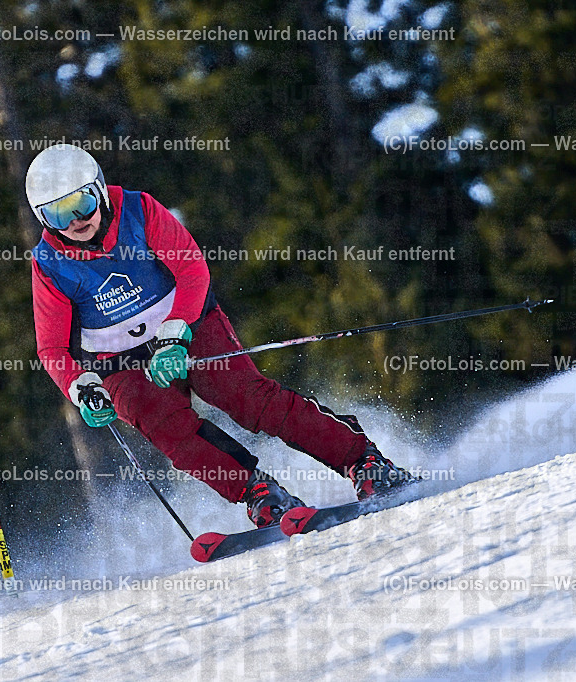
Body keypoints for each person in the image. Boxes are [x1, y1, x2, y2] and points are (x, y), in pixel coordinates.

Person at [27, 144, 413, 528]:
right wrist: (81, 389)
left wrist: (175, 334)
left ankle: (363, 460)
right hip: (118, 358)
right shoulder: (50, 264)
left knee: (244, 397)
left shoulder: (138, 210)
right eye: (58, 213)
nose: (76, 221)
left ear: (99, 189)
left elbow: (192, 270)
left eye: (82, 204)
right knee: (167, 428)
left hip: (185, 321)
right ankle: (260, 493)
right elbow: (52, 347)